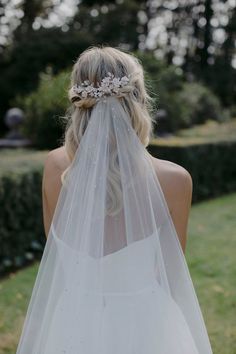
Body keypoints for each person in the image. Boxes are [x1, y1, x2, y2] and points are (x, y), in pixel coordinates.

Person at [16, 46, 213, 354]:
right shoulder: (175, 180)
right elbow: (170, 272)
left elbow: (61, 255)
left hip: (72, 323)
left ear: (78, 102)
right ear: (139, 101)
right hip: (146, 326)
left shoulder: (55, 168)